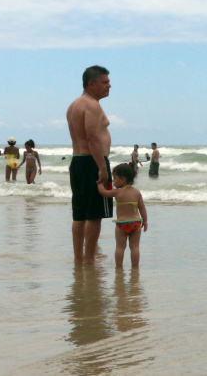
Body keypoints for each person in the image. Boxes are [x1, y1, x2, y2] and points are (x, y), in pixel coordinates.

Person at [66, 65, 115, 265]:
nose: (109, 86)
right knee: (94, 215)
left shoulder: (74, 105)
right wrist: (102, 168)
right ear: (91, 83)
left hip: (78, 161)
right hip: (92, 162)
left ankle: (79, 258)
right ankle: (89, 259)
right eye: (104, 82)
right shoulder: (92, 105)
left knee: (80, 215)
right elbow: (94, 138)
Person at [99, 163, 148, 268]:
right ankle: (135, 267)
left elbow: (103, 192)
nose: (113, 181)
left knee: (120, 247)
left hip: (122, 224)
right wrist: (145, 221)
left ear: (123, 179)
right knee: (135, 247)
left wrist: (100, 182)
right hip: (135, 223)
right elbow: (142, 208)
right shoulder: (137, 192)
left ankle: (119, 268)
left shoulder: (118, 193)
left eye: (114, 178)